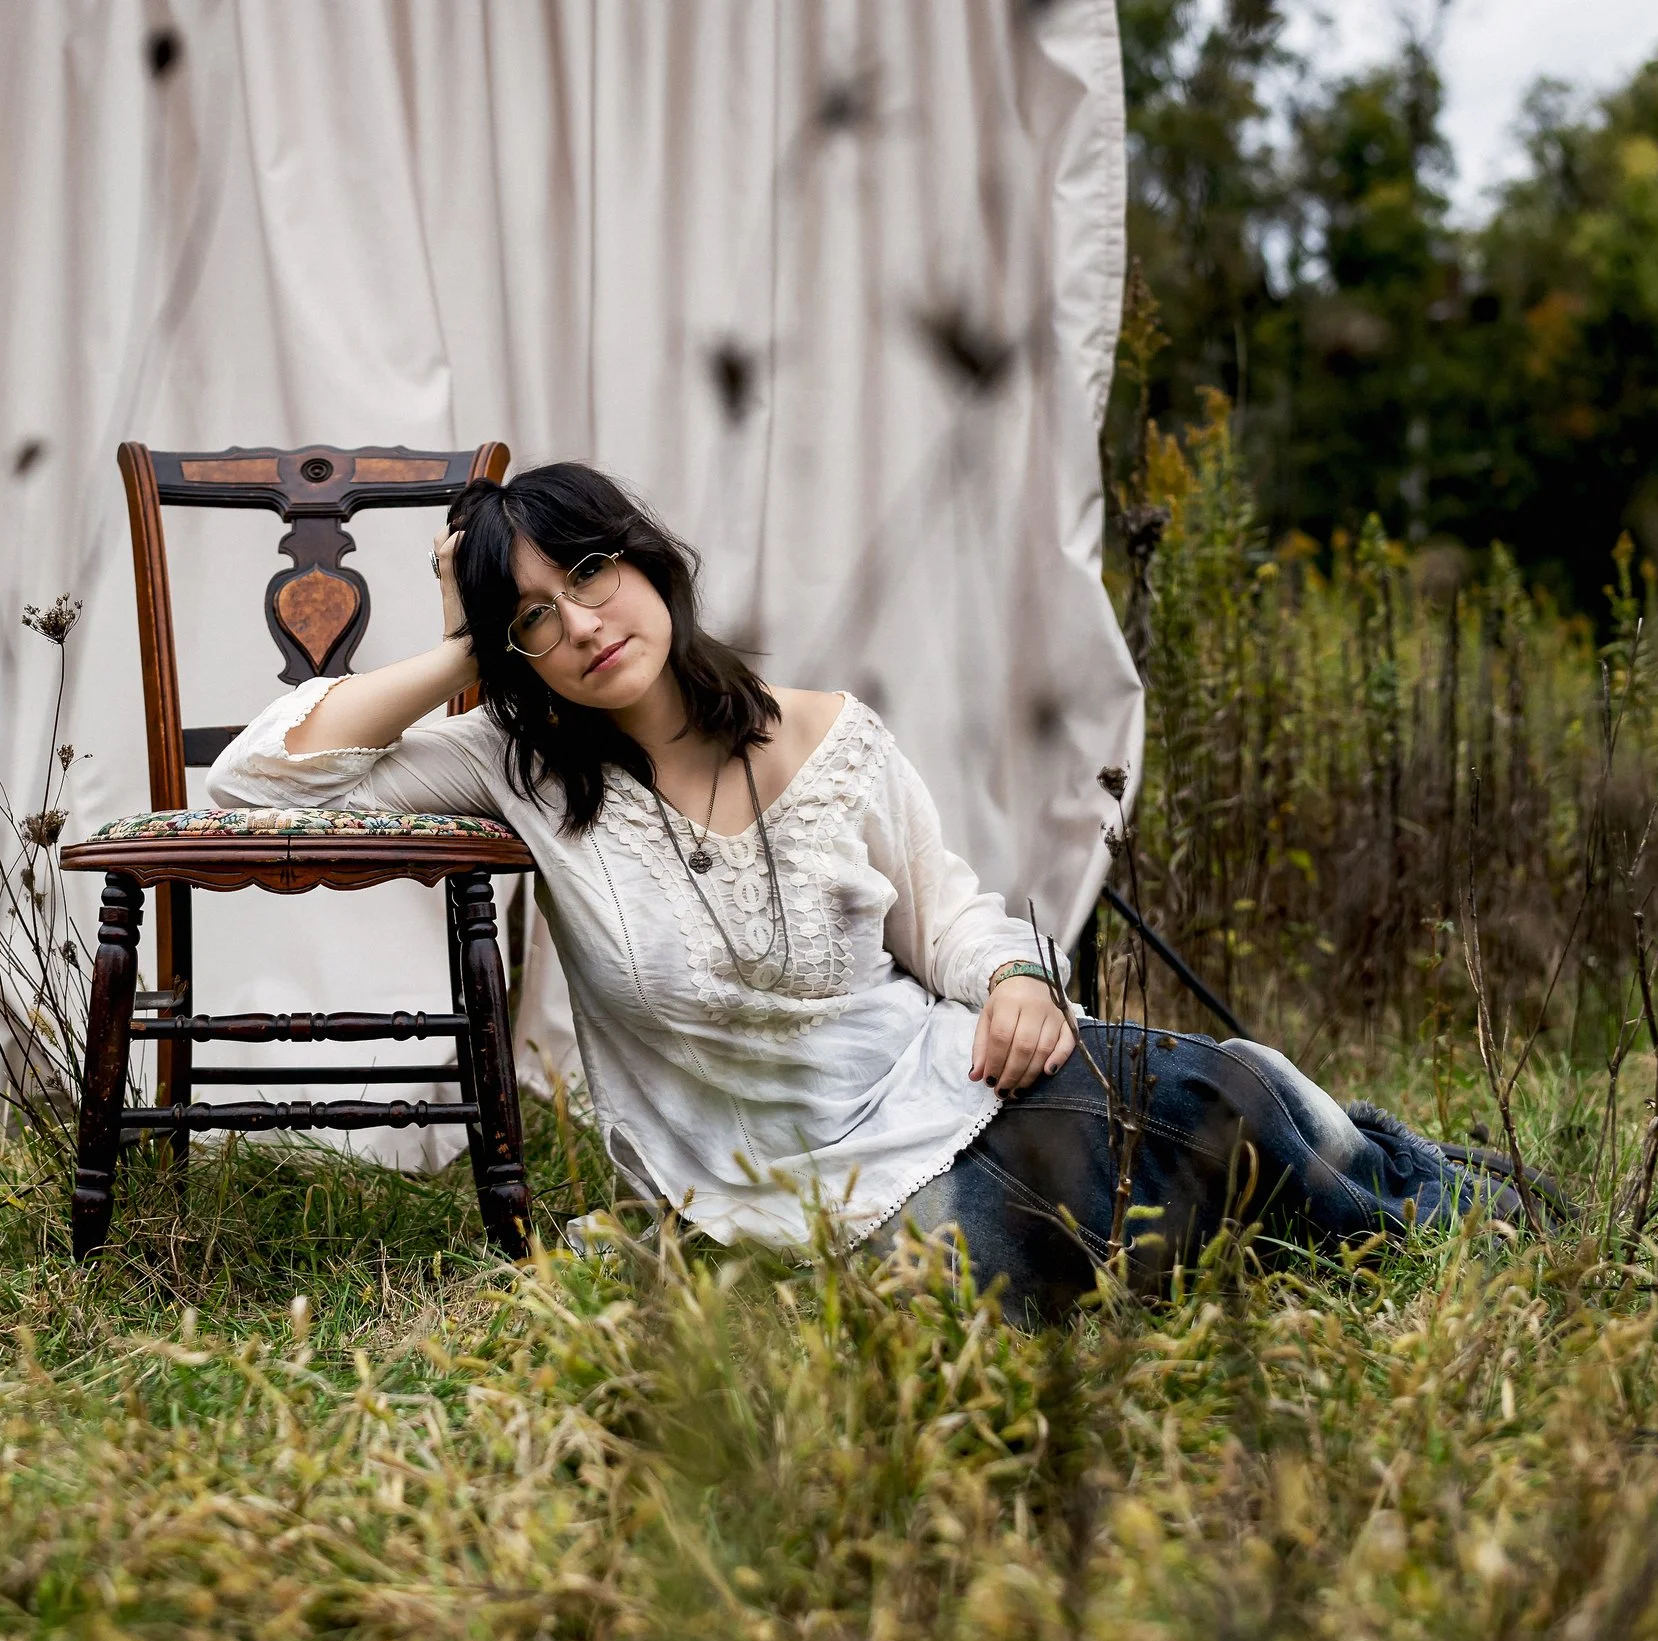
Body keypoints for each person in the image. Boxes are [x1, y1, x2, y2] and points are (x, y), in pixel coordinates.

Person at [209, 462, 1520, 1322]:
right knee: (1079, 1236)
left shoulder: (828, 732)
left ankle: (1435, 1219)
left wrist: (1013, 978)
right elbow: (259, 780)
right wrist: (458, 644)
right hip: (800, 1205)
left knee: (1209, 1104)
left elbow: (947, 917)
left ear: (647, 560)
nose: (583, 625)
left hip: (954, 1081)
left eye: (590, 574)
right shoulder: (520, 767)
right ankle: (1390, 1174)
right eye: (534, 617)